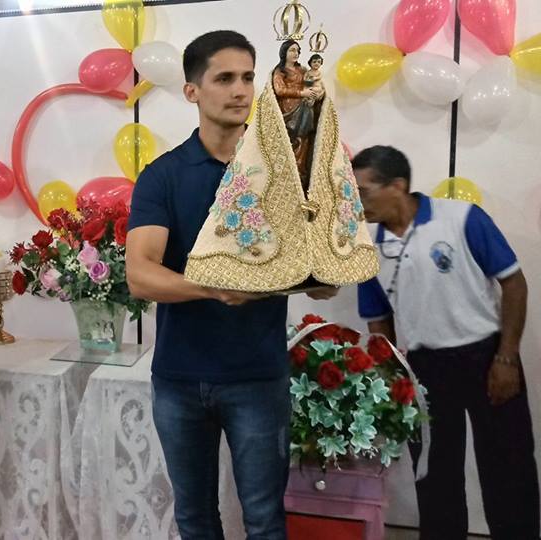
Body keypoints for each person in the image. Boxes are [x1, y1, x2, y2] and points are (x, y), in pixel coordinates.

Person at [125, 30, 335, 540]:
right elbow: (141, 273)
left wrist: (321, 270)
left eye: (247, 77)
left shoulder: (286, 176)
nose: (240, 90)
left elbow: (322, 273)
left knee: (264, 520)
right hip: (179, 378)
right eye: (224, 78)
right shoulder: (164, 176)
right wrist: (214, 288)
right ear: (192, 91)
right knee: (195, 519)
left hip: (257, 378)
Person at [352, 145, 539, 540]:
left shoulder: (462, 219)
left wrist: (507, 357)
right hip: (425, 368)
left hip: (487, 355)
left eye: (365, 190)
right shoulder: (369, 249)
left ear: (397, 186)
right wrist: (392, 377)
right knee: (435, 475)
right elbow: (378, 321)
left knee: (509, 467)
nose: (357, 200)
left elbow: (514, 282)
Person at [271, 39, 322, 189]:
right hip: (288, 110)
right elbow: (280, 90)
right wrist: (301, 92)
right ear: (284, 52)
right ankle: (287, 174)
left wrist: (313, 95)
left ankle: (301, 173)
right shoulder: (280, 72)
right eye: (292, 50)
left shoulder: (302, 70)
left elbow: (311, 85)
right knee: (289, 141)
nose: (296, 53)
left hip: (305, 109)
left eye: (298, 50)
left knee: (303, 140)